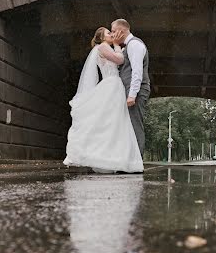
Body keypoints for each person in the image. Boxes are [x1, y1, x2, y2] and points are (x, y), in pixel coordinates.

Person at [63, 27, 143, 173]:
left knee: (114, 123)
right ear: (101, 37)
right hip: (110, 84)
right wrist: (118, 45)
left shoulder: (106, 46)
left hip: (114, 86)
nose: (112, 34)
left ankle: (113, 157)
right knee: (110, 122)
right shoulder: (103, 47)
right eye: (108, 33)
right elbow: (119, 60)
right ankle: (106, 157)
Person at [110, 19, 151, 157]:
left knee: (135, 125)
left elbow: (137, 72)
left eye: (114, 31)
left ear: (122, 31)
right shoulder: (126, 47)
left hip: (136, 92)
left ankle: (136, 162)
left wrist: (132, 95)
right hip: (129, 91)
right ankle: (129, 160)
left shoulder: (134, 45)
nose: (112, 34)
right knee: (128, 126)